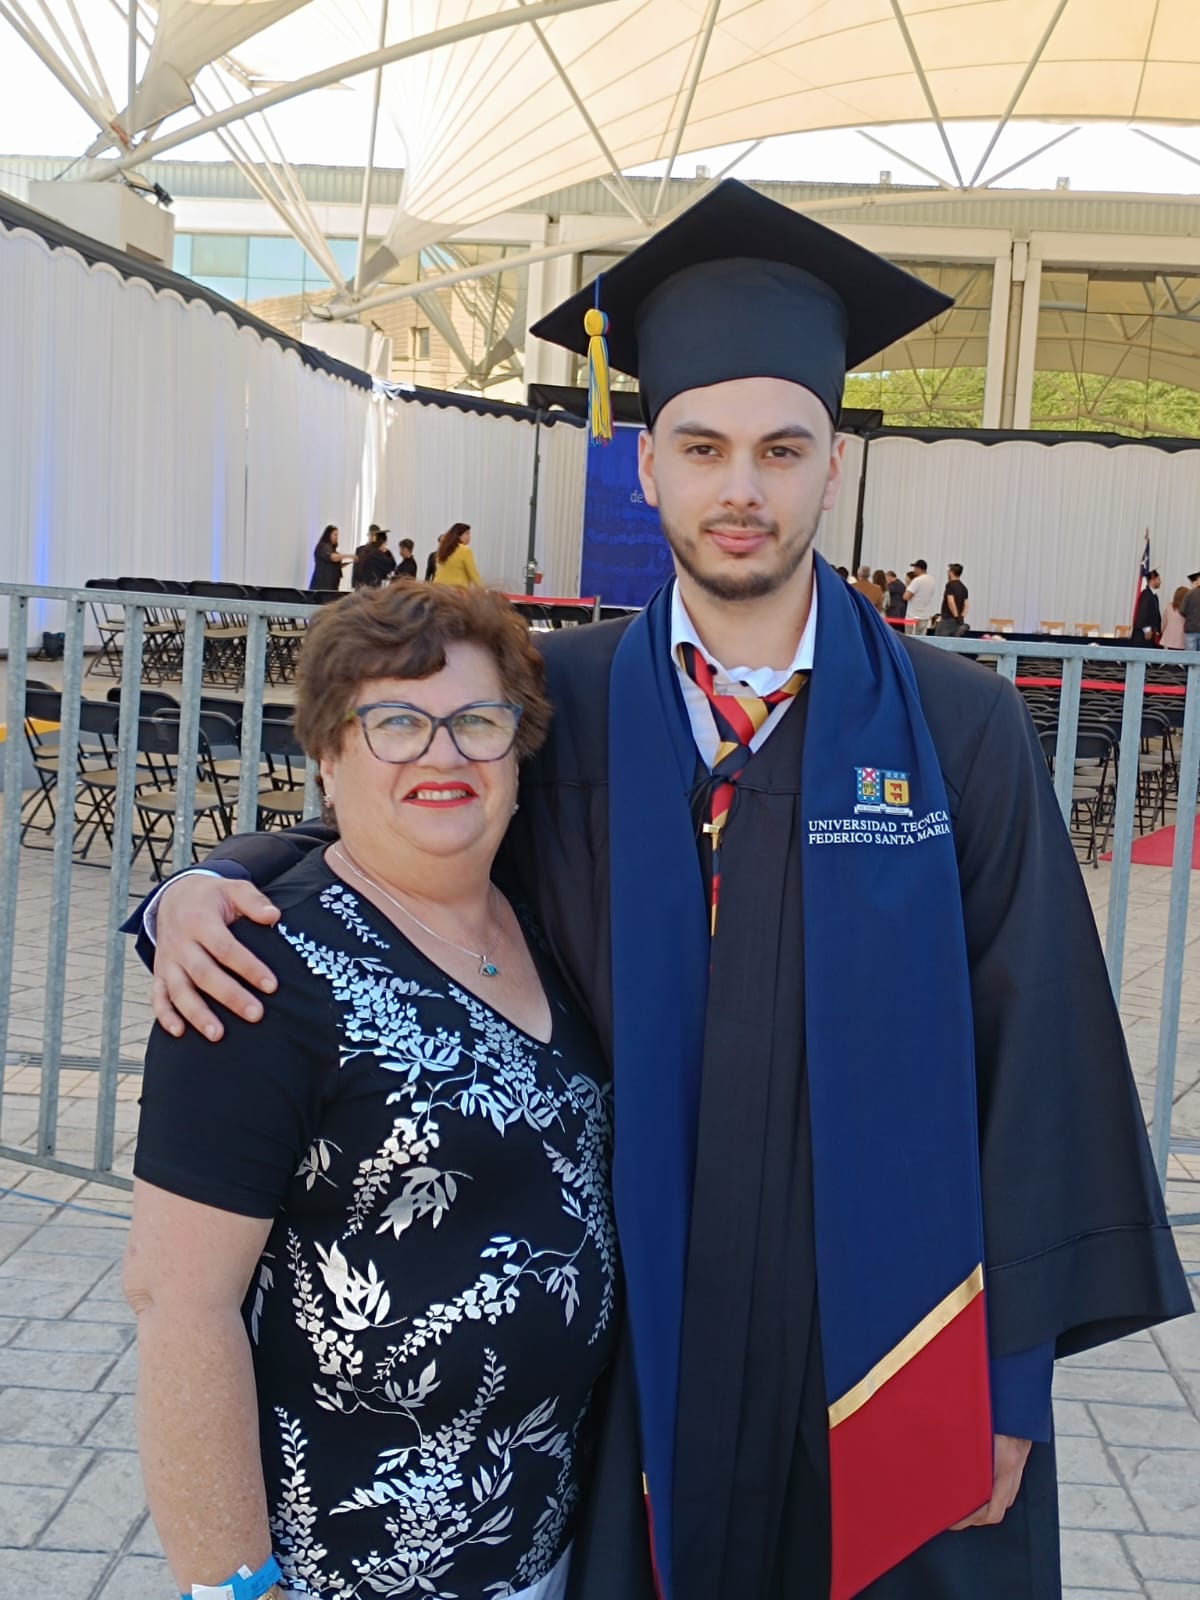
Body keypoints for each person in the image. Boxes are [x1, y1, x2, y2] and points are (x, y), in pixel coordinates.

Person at [133, 180, 1189, 1600]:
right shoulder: (562, 704)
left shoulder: (958, 727)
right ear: (649, 467)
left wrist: (1006, 1382)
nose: (741, 489)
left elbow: (1038, 1049)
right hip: (645, 1336)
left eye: (781, 450)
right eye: (702, 447)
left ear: (834, 467)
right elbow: (396, 830)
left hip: (886, 1341)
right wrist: (206, 880)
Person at [124, 583, 617, 1600]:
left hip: (541, 1541)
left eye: (477, 722)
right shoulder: (255, 975)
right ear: (328, 753)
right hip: (349, 1570)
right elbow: (178, 1303)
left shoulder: (546, 922)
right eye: (395, 722)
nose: (443, 755)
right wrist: (232, 1587)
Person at [433, 523, 484, 589]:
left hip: (438, 588)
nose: (469, 537)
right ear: (459, 536)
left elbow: (438, 572)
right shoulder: (465, 550)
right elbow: (473, 573)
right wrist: (482, 589)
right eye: (467, 534)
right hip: (456, 590)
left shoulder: (443, 549)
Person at [903, 559, 940, 633]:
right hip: (925, 616)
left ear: (919, 569)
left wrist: (908, 586)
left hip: (913, 616)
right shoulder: (931, 580)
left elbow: (906, 597)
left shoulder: (917, 580)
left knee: (911, 637)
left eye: (915, 568)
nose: (914, 570)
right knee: (921, 637)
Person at [309, 525, 349, 591]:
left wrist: (341, 565)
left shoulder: (332, 549)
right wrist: (349, 556)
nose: (337, 537)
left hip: (332, 586)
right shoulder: (322, 547)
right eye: (335, 535)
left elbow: (330, 564)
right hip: (322, 586)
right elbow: (331, 557)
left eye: (337, 535)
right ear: (328, 535)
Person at [935, 563, 969, 637]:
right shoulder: (964, 588)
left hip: (947, 619)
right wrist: (961, 617)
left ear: (951, 572)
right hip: (957, 622)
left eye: (948, 571)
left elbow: (951, 601)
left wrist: (956, 616)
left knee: (939, 640)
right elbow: (966, 605)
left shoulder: (950, 585)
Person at [1132, 569, 1162, 643]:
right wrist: (1147, 630)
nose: (1160, 582)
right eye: (1158, 579)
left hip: (1150, 636)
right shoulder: (1146, 595)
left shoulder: (1154, 596)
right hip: (1143, 636)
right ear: (1152, 580)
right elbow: (1142, 613)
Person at [1161, 584, 1189, 650]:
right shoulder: (1188, 608)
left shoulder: (1168, 607)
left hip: (1170, 639)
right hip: (1183, 640)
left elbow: (1163, 623)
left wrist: (1162, 632)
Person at [1180, 570, 1200, 651]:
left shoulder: (1189, 593)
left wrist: (1190, 616)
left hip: (1191, 629)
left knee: (1190, 656)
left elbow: (1182, 610)